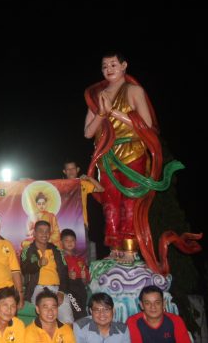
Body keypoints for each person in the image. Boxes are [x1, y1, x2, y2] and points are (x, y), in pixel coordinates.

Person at [83, 52, 167, 264]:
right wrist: (102, 113)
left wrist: (115, 113)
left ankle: (130, 247)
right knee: (109, 203)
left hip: (132, 152)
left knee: (131, 202)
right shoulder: (97, 95)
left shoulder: (133, 91)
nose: (109, 69)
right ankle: (113, 247)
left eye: (113, 64)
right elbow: (88, 132)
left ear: (124, 66)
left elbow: (146, 125)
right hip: (107, 156)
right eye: (104, 66)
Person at [20, 220, 74, 324]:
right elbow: (25, 268)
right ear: (34, 233)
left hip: (57, 289)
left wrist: (61, 291)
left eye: (47, 231)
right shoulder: (27, 250)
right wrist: (38, 264)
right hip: (38, 289)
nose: (44, 234)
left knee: (67, 321)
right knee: (46, 320)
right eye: (41, 231)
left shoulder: (57, 250)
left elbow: (64, 271)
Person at [126, 286, 191, 343]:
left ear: (164, 304)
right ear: (141, 305)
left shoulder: (175, 320)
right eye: (147, 303)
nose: (153, 307)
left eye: (157, 303)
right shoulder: (133, 321)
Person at [62, 160, 104, 230]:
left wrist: (89, 178)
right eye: (68, 169)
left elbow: (101, 189)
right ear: (64, 171)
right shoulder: (61, 185)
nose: (71, 171)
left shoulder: (83, 183)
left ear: (77, 169)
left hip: (81, 223)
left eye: (73, 168)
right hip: (65, 223)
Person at [60, 228, 89, 321]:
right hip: (69, 288)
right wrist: (67, 275)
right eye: (66, 240)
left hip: (80, 288)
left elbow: (85, 282)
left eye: (72, 240)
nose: (69, 243)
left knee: (82, 310)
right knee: (79, 313)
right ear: (61, 242)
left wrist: (84, 277)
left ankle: (80, 329)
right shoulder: (60, 259)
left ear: (75, 242)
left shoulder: (80, 260)